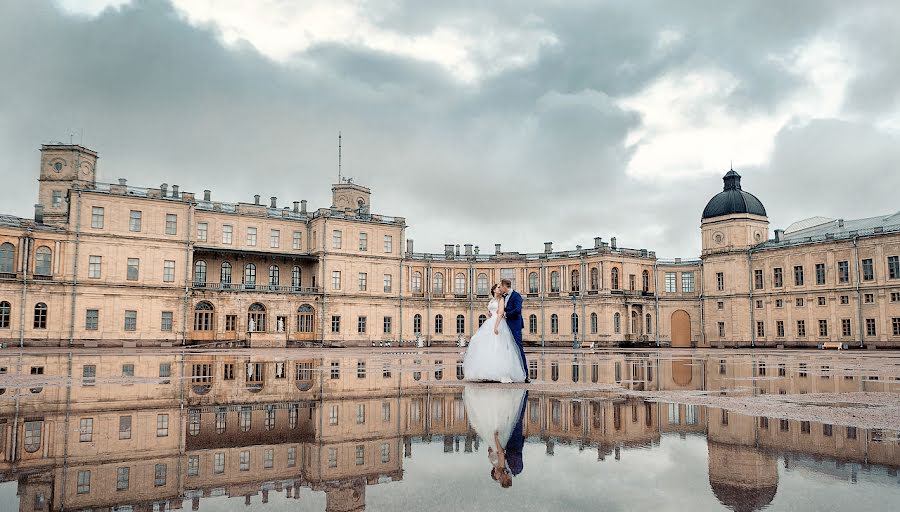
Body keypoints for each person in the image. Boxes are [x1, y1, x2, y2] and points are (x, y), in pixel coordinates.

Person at [462, 385, 526, 488]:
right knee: (516, 416)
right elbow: (504, 453)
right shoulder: (514, 469)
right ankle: (520, 394)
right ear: (506, 479)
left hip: (510, 441)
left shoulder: (506, 468)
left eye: (498, 477)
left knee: (514, 414)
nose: (499, 477)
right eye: (501, 479)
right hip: (512, 441)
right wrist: (497, 441)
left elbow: (498, 452)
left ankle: (517, 395)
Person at [462, 284, 527, 383]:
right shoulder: (492, 300)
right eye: (498, 287)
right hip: (490, 322)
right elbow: (490, 311)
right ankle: (486, 371)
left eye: (501, 287)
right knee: (485, 346)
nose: (499, 288)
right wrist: (489, 314)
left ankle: (500, 372)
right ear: (494, 290)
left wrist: (496, 326)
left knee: (498, 347)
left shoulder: (501, 299)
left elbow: (500, 313)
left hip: (498, 323)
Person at [498, 278, 529, 382]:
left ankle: (526, 375)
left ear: (505, 287)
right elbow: (506, 308)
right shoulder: (504, 296)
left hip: (515, 326)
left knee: (518, 349)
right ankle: (511, 373)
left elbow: (517, 310)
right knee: (508, 351)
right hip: (506, 326)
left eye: (501, 286)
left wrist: (506, 314)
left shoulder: (516, 296)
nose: (500, 288)